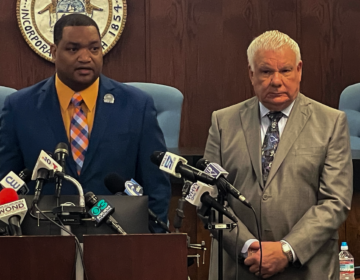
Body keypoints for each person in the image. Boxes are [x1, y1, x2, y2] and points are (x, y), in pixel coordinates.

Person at [203, 30, 352, 279]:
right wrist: (248, 246)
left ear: (299, 69)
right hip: (239, 268)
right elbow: (207, 197)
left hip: (306, 268)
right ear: (251, 73)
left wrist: (286, 250)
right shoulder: (222, 122)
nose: (276, 80)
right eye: (265, 71)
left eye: (285, 70)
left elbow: (334, 201)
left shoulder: (331, 122)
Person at [0, 14, 171, 231]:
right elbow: (6, 182)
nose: (85, 57)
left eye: (94, 48)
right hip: (42, 242)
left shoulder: (136, 105)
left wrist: (153, 244)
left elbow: (156, 185)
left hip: (118, 238)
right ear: (54, 52)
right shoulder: (19, 107)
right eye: (73, 49)